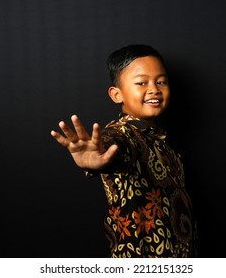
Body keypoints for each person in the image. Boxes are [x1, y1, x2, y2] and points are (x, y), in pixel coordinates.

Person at [50, 44, 197, 258]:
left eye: (161, 81)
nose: (154, 89)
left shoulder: (162, 142)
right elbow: (117, 146)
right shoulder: (123, 134)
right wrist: (99, 154)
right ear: (117, 95)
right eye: (141, 82)